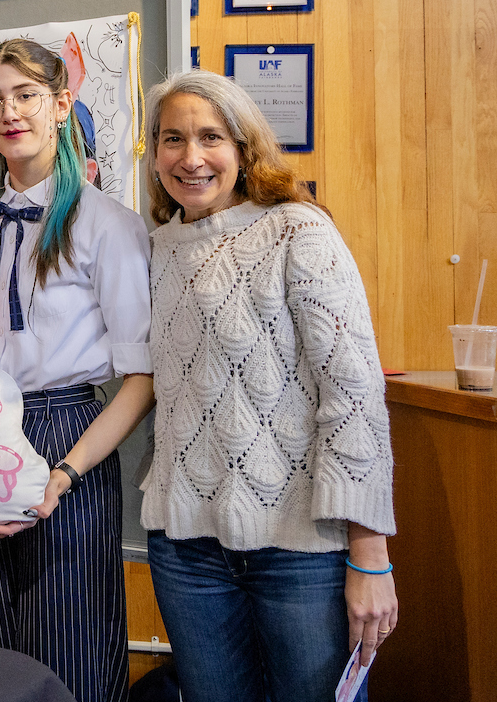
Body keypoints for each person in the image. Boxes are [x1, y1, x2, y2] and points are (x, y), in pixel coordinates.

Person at [141, 69, 398, 702]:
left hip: (300, 548)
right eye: (172, 139)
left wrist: (371, 553)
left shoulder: (297, 231)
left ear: (244, 147)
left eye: (211, 137)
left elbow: (354, 397)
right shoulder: (156, 248)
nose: (191, 157)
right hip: (186, 549)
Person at [0, 38, 153, 702]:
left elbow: (141, 378)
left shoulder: (109, 226)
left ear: (62, 104)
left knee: (73, 652)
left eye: (27, 94)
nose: (11, 112)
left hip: (69, 436)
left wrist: (65, 471)